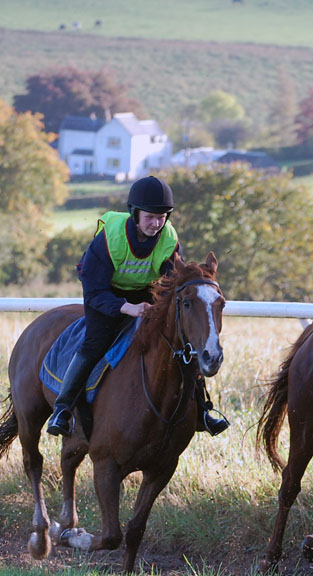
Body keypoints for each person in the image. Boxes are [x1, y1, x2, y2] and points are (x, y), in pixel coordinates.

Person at [46, 175, 223, 436]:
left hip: (147, 292)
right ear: (134, 213)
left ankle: (202, 410)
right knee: (95, 342)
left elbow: (171, 281)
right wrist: (125, 307)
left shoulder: (169, 238)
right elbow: (93, 290)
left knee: (180, 342)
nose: (156, 224)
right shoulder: (110, 238)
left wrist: (161, 306)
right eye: (150, 217)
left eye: (162, 217)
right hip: (105, 294)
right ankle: (62, 408)